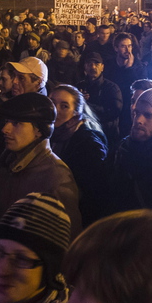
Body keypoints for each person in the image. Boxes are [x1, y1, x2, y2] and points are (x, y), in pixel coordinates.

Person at [0, 93, 82, 235]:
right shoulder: (9, 164)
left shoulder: (56, 176)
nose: (6, 129)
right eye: (7, 121)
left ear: (39, 130)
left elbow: (67, 237)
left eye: (16, 123)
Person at [47, 85, 110, 226]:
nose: (55, 109)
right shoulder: (50, 134)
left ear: (76, 112)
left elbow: (94, 194)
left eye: (64, 106)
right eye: (51, 102)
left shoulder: (89, 144)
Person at [77, 52, 122, 147]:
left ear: (102, 67)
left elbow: (114, 111)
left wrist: (87, 105)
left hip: (106, 134)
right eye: (90, 64)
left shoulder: (111, 88)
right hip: (84, 134)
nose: (93, 67)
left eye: (96, 64)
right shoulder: (80, 86)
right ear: (85, 67)